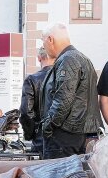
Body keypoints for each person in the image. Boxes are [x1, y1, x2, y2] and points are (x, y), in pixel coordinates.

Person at [39, 23, 100, 159]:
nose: (43, 46)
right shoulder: (81, 58)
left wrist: (48, 127)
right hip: (77, 134)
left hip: (64, 137)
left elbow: (63, 99)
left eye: (42, 41)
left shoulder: (68, 59)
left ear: (50, 39)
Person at [20, 46, 54, 153]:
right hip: (63, 138)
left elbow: (26, 112)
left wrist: (29, 135)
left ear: (39, 58)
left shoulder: (32, 79)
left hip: (40, 137)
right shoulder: (64, 77)